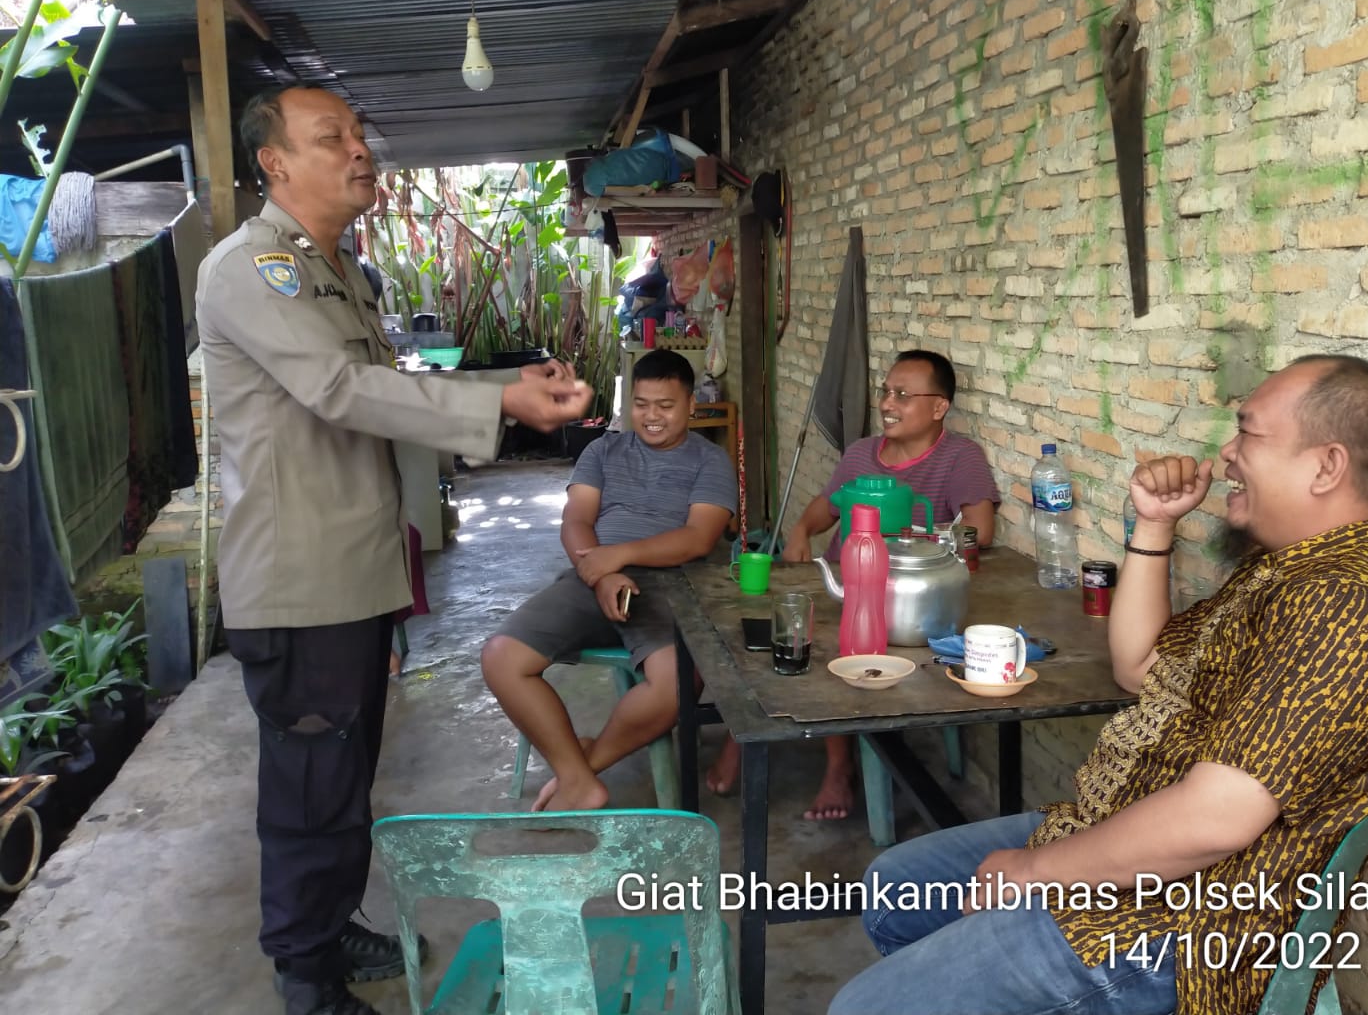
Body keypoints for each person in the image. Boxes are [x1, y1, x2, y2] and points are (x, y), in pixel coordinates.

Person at [829, 354, 1368, 1015]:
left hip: (1188, 925)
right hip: (1126, 839)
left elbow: (1218, 818)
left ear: (1326, 465)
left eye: (1249, 434)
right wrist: (1153, 524)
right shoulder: (1287, 573)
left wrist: (1034, 873)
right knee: (898, 889)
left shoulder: (1348, 606)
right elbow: (1140, 666)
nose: (1227, 454)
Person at [197, 84, 594, 1015]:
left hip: (352, 571)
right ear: (276, 163)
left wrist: (501, 380)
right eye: (329, 137)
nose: (359, 150)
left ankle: (330, 925)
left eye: (359, 133)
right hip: (300, 582)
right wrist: (498, 403)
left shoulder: (335, 272)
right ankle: (308, 978)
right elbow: (341, 390)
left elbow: (383, 384)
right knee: (308, 792)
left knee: (341, 777)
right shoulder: (253, 268)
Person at [707, 349, 1001, 819]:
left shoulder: (959, 456)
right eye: (886, 391)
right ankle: (742, 736)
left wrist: (910, 535)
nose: (888, 403)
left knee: (836, 647)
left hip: (901, 597)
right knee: (768, 634)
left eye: (903, 395)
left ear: (939, 407)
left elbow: (980, 531)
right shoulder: (862, 453)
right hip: (840, 581)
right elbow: (827, 507)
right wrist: (801, 533)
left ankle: (838, 767)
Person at [481, 348, 737, 812]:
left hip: (674, 587)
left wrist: (619, 555)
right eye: (641, 404)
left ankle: (583, 771)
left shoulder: (710, 461)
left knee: (677, 688)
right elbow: (576, 520)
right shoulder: (604, 450)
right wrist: (599, 572)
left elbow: (699, 538)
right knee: (502, 657)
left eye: (666, 405)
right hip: (591, 575)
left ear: (690, 407)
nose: (651, 416)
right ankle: (579, 780)